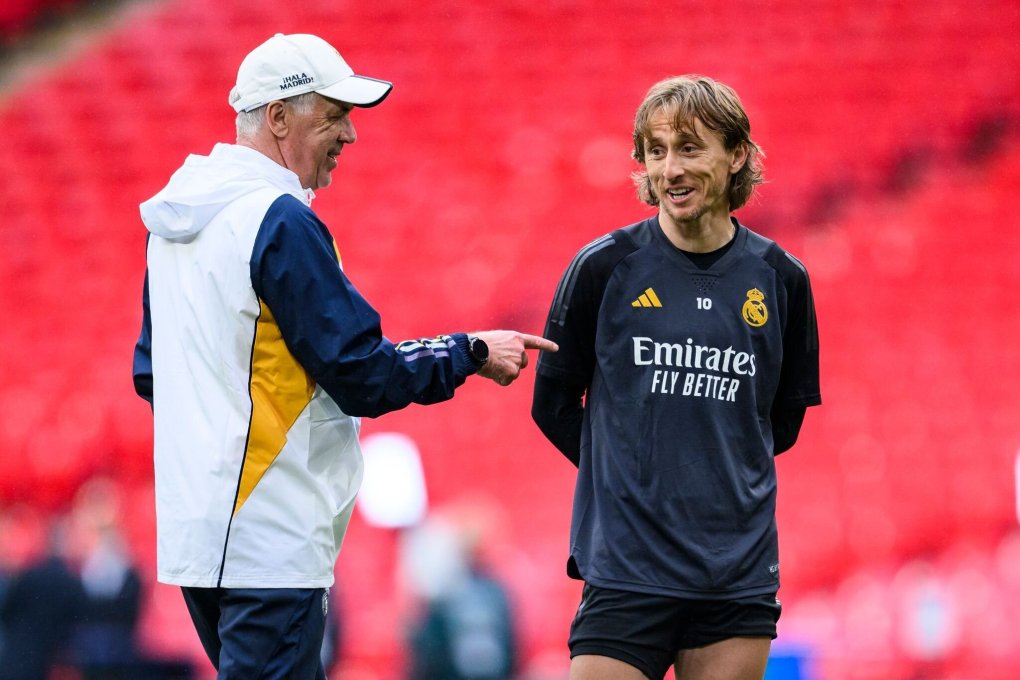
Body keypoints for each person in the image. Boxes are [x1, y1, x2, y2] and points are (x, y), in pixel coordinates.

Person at [131, 33, 556, 680]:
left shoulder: (175, 223)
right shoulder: (279, 220)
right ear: (278, 117)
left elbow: (151, 374)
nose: (350, 135)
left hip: (199, 533)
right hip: (270, 531)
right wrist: (469, 352)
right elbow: (362, 373)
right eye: (334, 116)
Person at [531, 75, 821, 680]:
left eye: (689, 148)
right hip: (626, 569)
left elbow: (781, 423)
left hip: (734, 574)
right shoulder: (603, 267)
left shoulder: (782, 279)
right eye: (656, 151)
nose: (670, 169)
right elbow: (552, 403)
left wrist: (707, 480)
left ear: (736, 155)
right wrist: (629, 478)